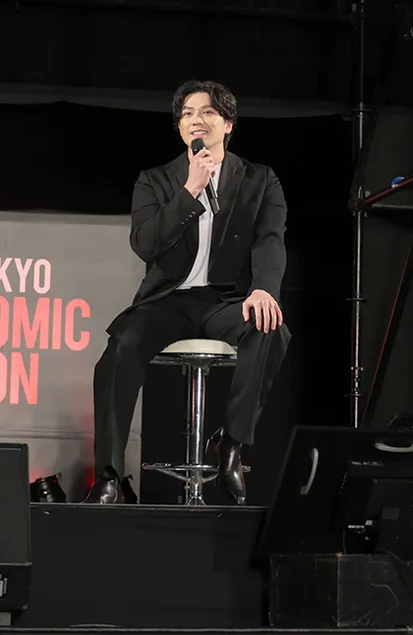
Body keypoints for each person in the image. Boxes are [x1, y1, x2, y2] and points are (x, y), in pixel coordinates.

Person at [85, 81, 290, 505]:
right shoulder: (155, 181)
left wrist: (265, 290)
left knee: (272, 330)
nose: (197, 120)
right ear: (180, 129)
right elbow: (145, 244)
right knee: (120, 347)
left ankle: (231, 444)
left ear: (228, 123)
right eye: (187, 114)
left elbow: (270, 239)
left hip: (227, 299)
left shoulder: (259, 180)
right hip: (168, 301)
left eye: (209, 112)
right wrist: (190, 190)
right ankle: (108, 475)